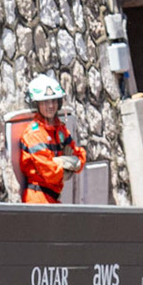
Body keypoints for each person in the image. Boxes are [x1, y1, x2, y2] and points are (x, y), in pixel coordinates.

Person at [17, 74, 87, 204]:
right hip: (38, 200)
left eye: (54, 101)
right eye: (45, 102)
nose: (51, 106)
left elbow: (80, 156)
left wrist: (64, 162)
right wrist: (68, 164)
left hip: (53, 198)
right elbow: (50, 173)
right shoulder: (34, 134)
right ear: (36, 104)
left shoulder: (60, 129)